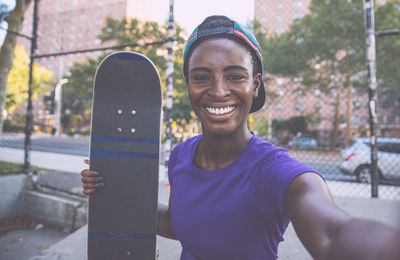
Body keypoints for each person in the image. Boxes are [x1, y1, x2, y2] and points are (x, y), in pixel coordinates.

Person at [81, 15, 400, 260]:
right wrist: (114, 195)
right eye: (202, 77)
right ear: (189, 86)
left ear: (256, 85)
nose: (218, 90)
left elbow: (333, 234)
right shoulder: (180, 155)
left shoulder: (276, 172)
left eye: (235, 76)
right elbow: (179, 226)